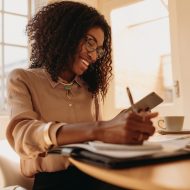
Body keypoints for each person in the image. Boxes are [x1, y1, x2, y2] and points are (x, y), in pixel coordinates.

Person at [6, 1, 158, 190]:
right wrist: (100, 129)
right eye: (90, 42)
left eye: (98, 49)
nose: (94, 56)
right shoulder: (23, 79)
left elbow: (96, 142)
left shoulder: (88, 89)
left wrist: (119, 127)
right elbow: (23, 136)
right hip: (54, 182)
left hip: (95, 174)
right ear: (65, 34)